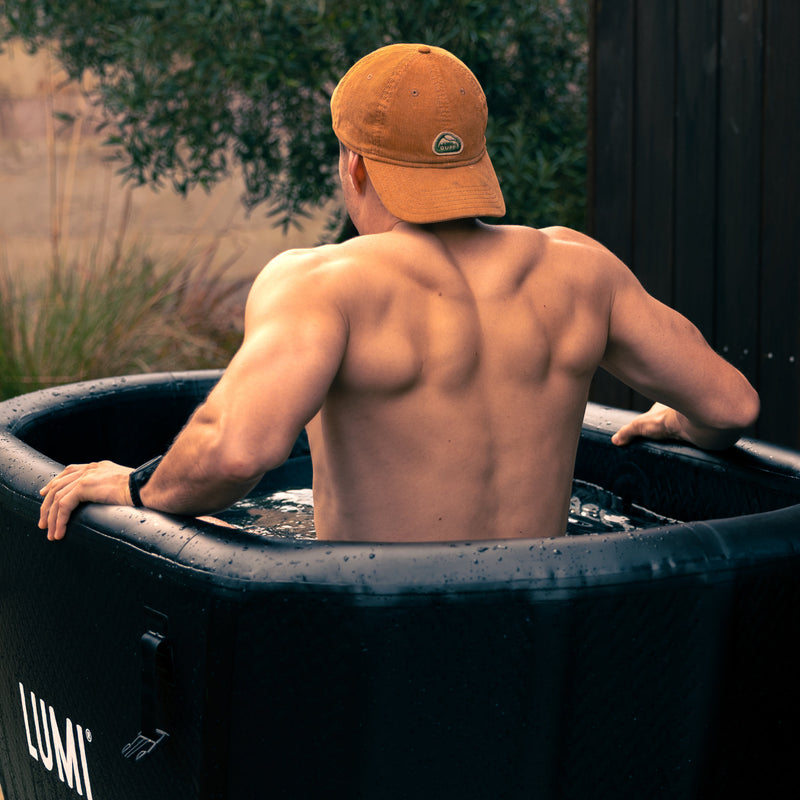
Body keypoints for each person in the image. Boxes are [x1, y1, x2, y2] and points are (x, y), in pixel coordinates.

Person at [38, 43, 759, 543]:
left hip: (384, 632)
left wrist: (131, 488)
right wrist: (683, 427)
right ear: (474, 156)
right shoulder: (579, 267)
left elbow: (235, 452)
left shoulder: (320, 283)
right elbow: (731, 406)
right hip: (546, 615)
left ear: (353, 164)